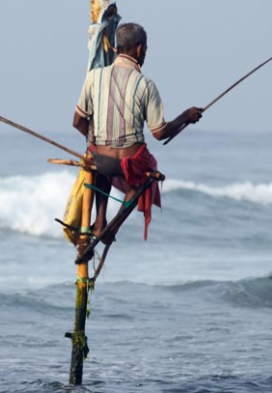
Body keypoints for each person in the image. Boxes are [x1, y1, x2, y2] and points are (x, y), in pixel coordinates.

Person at [73, 22, 202, 245]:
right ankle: (112, 227)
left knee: (98, 162)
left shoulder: (94, 77)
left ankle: (100, 220)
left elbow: (77, 121)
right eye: (146, 50)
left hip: (101, 160)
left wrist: (93, 141)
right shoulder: (146, 85)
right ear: (139, 49)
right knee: (148, 172)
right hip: (130, 163)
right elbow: (159, 133)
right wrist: (185, 117)